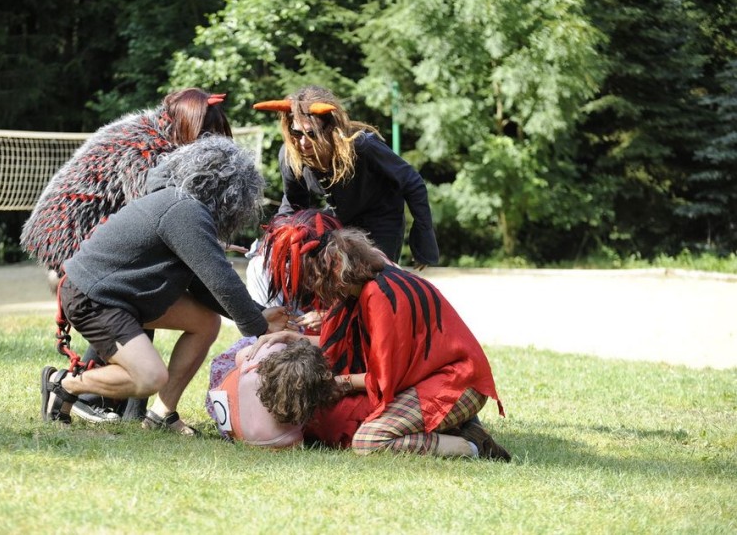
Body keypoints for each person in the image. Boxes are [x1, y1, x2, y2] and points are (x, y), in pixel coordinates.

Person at [40, 135, 288, 434]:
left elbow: (202, 283)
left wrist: (259, 313)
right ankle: (63, 384)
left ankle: (161, 415)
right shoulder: (184, 211)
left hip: (118, 297)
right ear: (232, 195)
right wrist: (258, 327)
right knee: (149, 377)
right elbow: (220, 278)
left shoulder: (181, 205)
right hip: (94, 298)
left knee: (205, 322)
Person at [22, 88, 231, 423]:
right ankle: (86, 394)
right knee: (136, 292)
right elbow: (152, 225)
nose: (211, 146)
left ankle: (133, 408)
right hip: (71, 240)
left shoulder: (163, 142)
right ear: (186, 126)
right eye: (206, 135)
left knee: (148, 295)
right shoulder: (146, 150)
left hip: (95, 242)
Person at [253, 209, 511, 460]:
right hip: (428, 380)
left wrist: (338, 383)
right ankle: (459, 431)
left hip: (457, 384)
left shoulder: (381, 296)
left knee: (369, 441)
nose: (313, 288)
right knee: (332, 418)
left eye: (313, 278)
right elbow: (343, 348)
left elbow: (382, 380)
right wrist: (292, 338)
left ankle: (472, 447)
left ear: (332, 273)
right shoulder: (363, 290)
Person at [253, 85, 439, 269]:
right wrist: (275, 240)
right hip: (341, 218)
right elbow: (294, 204)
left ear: (329, 128)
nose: (303, 142)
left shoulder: (362, 146)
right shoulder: (291, 155)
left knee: (376, 275)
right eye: (296, 132)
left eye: (311, 133)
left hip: (381, 217)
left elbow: (412, 182)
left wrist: (423, 242)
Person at [207, 337, 340, 448]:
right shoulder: (288, 438)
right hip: (247, 437)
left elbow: (238, 357)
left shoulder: (269, 351)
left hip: (224, 413)